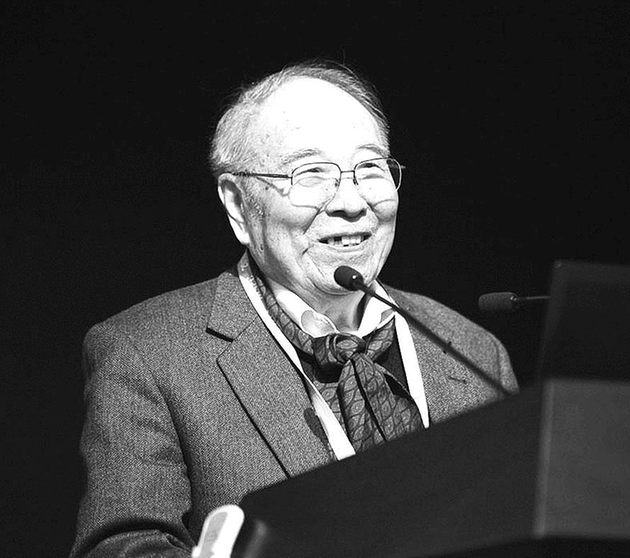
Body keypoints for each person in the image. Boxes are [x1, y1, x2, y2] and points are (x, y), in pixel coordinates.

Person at [70, 59, 519, 558]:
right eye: (311, 174)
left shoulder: (475, 352)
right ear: (238, 204)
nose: (351, 202)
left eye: (370, 168)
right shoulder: (147, 353)